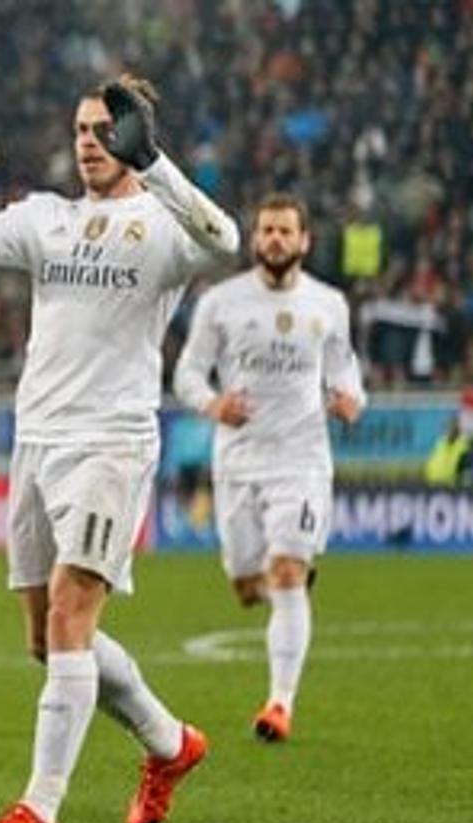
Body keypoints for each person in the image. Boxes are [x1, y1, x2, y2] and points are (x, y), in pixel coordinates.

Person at [0, 69, 238, 823]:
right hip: (38, 442)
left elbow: (225, 242)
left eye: (106, 129)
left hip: (110, 445)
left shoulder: (163, 231)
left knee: (69, 614)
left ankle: (39, 812)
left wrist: (157, 166)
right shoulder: (46, 220)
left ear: (135, 136)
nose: (90, 142)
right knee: (46, 638)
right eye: (83, 130)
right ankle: (169, 744)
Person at [175, 192, 367, 744]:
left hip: (302, 460)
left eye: (286, 231)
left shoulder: (328, 304)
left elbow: (344, 369)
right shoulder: (221, 302)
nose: (276, 240)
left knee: (285, 574)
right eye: (267, 231)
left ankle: (279, 704)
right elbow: (187, 373)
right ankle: (288, 583)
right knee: (245, 584)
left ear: (305, 241)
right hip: (237, 460)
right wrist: (213, 404)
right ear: (255, 239)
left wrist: (351, 399)